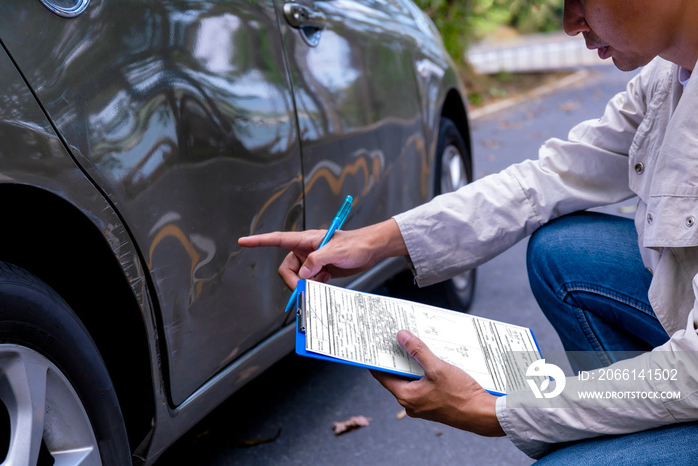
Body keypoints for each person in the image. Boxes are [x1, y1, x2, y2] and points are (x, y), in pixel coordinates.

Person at [239, 0, 698, 462]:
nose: (569, 23)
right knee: (562, 252)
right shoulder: (667, 78)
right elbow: (545, 180)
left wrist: (492, 409)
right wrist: (376, 240)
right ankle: (632, 431)